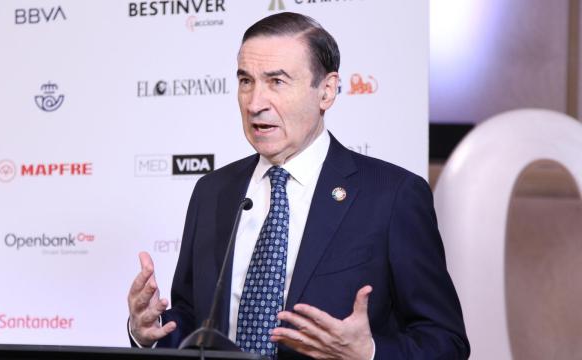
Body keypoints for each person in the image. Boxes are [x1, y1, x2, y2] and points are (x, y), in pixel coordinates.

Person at [127, 12, 470, 359]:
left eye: (276, 82)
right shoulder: (212, 191)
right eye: (246, 81)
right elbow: (192, 324)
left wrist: (369, 354)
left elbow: (446, 342)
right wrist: (150, 334)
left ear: (327, 91)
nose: (255, 103)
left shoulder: (392, 196)